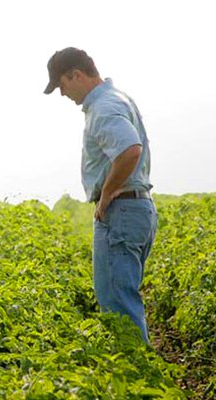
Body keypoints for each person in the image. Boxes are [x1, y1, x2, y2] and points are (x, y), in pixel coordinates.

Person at [44, 47, 156, 344]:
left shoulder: (104, 107)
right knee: (123, 297)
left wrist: (105, 195)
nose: (62, 93)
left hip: (120, 212)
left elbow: (130, 150)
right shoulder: (119, 98)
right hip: (137, 208)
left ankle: (137, 383)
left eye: (61, 85)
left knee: (117, 303)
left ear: (75, 75)